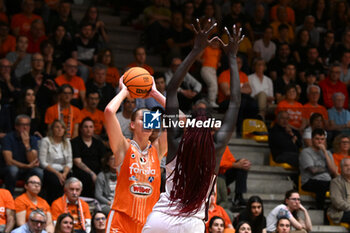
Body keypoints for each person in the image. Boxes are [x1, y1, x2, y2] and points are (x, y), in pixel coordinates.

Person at [142, 22, 241, 233]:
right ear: (211, 128)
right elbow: (234, 102)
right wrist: (231, 57)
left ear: (188, 123)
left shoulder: (176, 142)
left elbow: (171, 91)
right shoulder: (216, 149)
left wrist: (196, 49)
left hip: (160, 219)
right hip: (191, 224)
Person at [104, 44, 167, 233]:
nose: (148, 122)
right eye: (143, 118)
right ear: (132, 124)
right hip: (121, 220)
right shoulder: (123, 146)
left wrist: (155, 93)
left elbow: (179, 118)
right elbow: (108, 112)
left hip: (148, 223)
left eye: (151, 118)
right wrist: (125, 90)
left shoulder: (158, 149)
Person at [2, 114, 43, 194]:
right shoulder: (8, 138)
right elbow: (9, 161)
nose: (25, 128)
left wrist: (27, 145)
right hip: (9, 169)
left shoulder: (32, 139)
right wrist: (26, 166)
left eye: (27, 125)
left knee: (39, 172)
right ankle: (10, 196)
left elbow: (32, 160)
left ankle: (30, 197)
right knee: (13, 170)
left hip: (27, 170)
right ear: (16, 126)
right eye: (22, 125)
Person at [299, 128, 337, 208]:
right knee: (322, 184)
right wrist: (327, 169)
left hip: (327, 181)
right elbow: (313, 170)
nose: (320, 141)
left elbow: (333, 171)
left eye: (322, 139)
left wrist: (325, 153)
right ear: (312, 139)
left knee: (341, 185)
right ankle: (320, 209)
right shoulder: (306, 152)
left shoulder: (328, 153)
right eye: (317, 139)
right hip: (309, 181)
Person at [39, 120, 72, 204]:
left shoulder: (67, 141)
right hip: (50, 170)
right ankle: (54, 204)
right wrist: (58, 174)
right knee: (55, 182)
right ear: (52, 129)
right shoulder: (46, 141)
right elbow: (42, 162)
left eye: (62, 127)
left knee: (71, 180)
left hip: (64, 171)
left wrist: (64, 174)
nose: (59, 129)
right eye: (57, 127)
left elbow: (69, 162)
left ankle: (67, 204)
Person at [71, 117, 106, 198]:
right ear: (81, 129)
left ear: (94, 129)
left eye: (91, 127)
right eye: (85, 127)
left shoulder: (98, 143)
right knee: (87, 177)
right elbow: (77, 162)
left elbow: (103, 160)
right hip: (81, 171)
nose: (88, 129)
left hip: (97, 170)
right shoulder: (75, 142)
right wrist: (92, 173)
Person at [328, 158, 350, 225]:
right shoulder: (335, 182)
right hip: (340, 212)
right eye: (346, 165)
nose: (349, 167)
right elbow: (337, 202)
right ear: (341, 168)